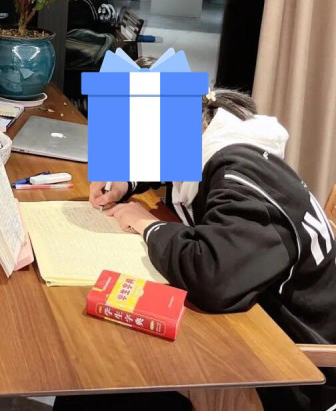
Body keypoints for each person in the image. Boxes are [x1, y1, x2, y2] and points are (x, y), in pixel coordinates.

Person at [59, 78, 335, 411]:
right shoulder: (221, 139)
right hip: (257, 323)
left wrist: (147, 224)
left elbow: (213, 277)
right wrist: (125, 182)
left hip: (297, 369)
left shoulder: (241, 180)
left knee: (104, 375)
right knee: (102, 364)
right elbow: (171, 165)